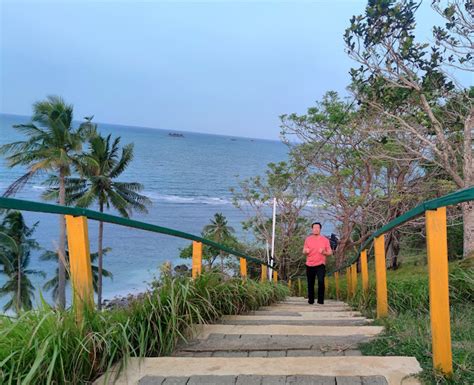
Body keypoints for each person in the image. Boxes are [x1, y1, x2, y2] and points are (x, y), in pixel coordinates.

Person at [303, 222, 332, 305]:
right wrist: (306, 251)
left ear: (320, 229)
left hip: (320, 264)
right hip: (310, 264)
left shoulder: (325, 240)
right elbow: (304, 251)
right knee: (310, 283)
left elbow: (330, 252)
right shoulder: (308, 239)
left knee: (321, 281)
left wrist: (324, 252)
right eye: (314, 228)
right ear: (312, 229)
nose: (316, 229)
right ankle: (311, 300)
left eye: (317, 228)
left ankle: (320, 300)